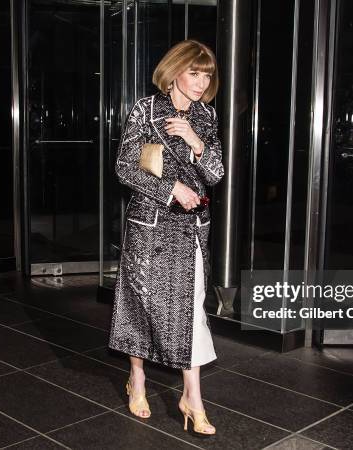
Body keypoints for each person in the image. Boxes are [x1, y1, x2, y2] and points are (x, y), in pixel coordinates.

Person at [108, 39, 224, 435]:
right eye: (194, 72)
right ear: (175, 72)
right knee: (142, 306)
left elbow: (216, 173)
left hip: (191, 228)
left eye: (206, 74)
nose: (200, 81)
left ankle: (192, 397)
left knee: (192, 310)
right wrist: (172, 188)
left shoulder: (206, 115)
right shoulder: (145, 109)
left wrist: (194, 139)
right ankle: (137, 379)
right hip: (151, 226)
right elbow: (126, 167)